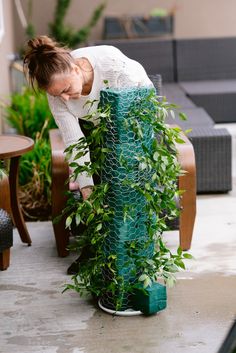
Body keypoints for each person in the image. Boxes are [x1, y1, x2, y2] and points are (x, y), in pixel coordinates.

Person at [24, 35, 153, 201]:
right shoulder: (56, 91)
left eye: (66, 89)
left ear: (77, 70)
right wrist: (86, 188)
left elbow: (131, 127)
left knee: (128, 185)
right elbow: (74, 140)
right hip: (95, 126)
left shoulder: (114, 68)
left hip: (135, 119)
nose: (64, 98)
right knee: (100, 189)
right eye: (57, 94)